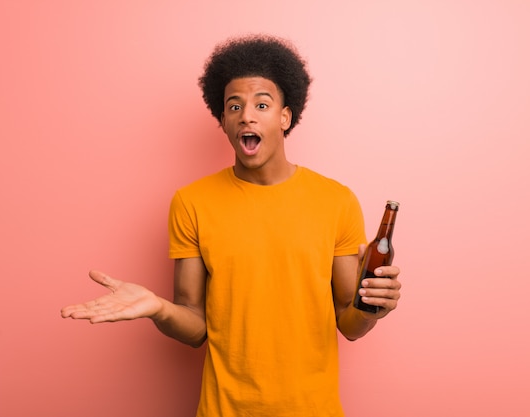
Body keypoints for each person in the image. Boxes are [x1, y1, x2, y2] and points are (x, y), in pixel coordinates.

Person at [61, 34, 402, 417]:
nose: (246, 115)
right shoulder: (192, 202)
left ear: (285, 117)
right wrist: (158, 308)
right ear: (223, 120)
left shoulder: (336, 200)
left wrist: (374, 308)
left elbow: (349, 322)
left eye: (261, 104)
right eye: (234, 106)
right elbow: (194, 326)